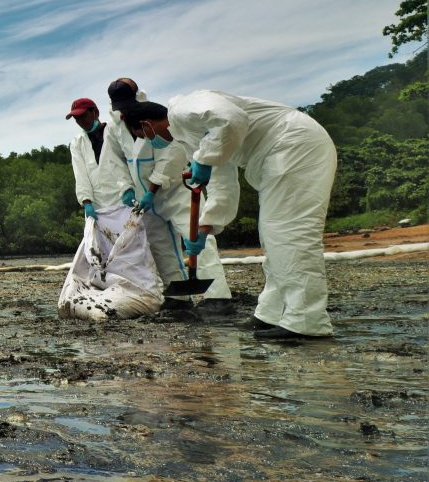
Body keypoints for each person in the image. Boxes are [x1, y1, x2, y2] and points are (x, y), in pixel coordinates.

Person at [124, 93, 338, 340]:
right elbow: (222, 183)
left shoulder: (184, 109)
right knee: (272, 235)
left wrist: (204, 159)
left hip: (293, 143)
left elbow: (231, 118)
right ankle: (271, 313)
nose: (151, 141)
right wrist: (205, 227)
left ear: (147, 124)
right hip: (283, 151)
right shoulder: (193, 138)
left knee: (289, 233)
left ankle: (306, 321)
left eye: (146, 136)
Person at [102, 78, 232, 311]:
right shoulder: (113, 126)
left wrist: (153, 187)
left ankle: (218, 297)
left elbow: (171, 153)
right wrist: (126, 188)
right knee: (159, 246)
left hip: (176, 189)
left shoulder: (157, 115)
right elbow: (115, 160)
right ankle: (178, 297)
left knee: (196, 238)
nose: (124, 110)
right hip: (144, 199)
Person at [65, 97, 115, 219]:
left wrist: (129, 189)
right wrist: (86, 202)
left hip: (123, 196)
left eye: (83, 116)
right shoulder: (77, 143)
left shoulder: (114, 130)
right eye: (76, 119)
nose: (80, 121)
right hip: (98, 205)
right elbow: (80, 174)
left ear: (95, 113)